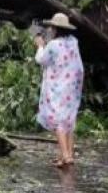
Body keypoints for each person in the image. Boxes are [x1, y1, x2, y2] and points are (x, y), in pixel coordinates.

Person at [34, 13, 84, 167]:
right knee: (69, 120)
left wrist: (40, 46)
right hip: (73, 86)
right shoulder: (73, 42)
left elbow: (41, 60)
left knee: (58, 121)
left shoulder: (53, 45)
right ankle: (66, 155)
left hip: (59, 87)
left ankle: (66, 156)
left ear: (56, 28)